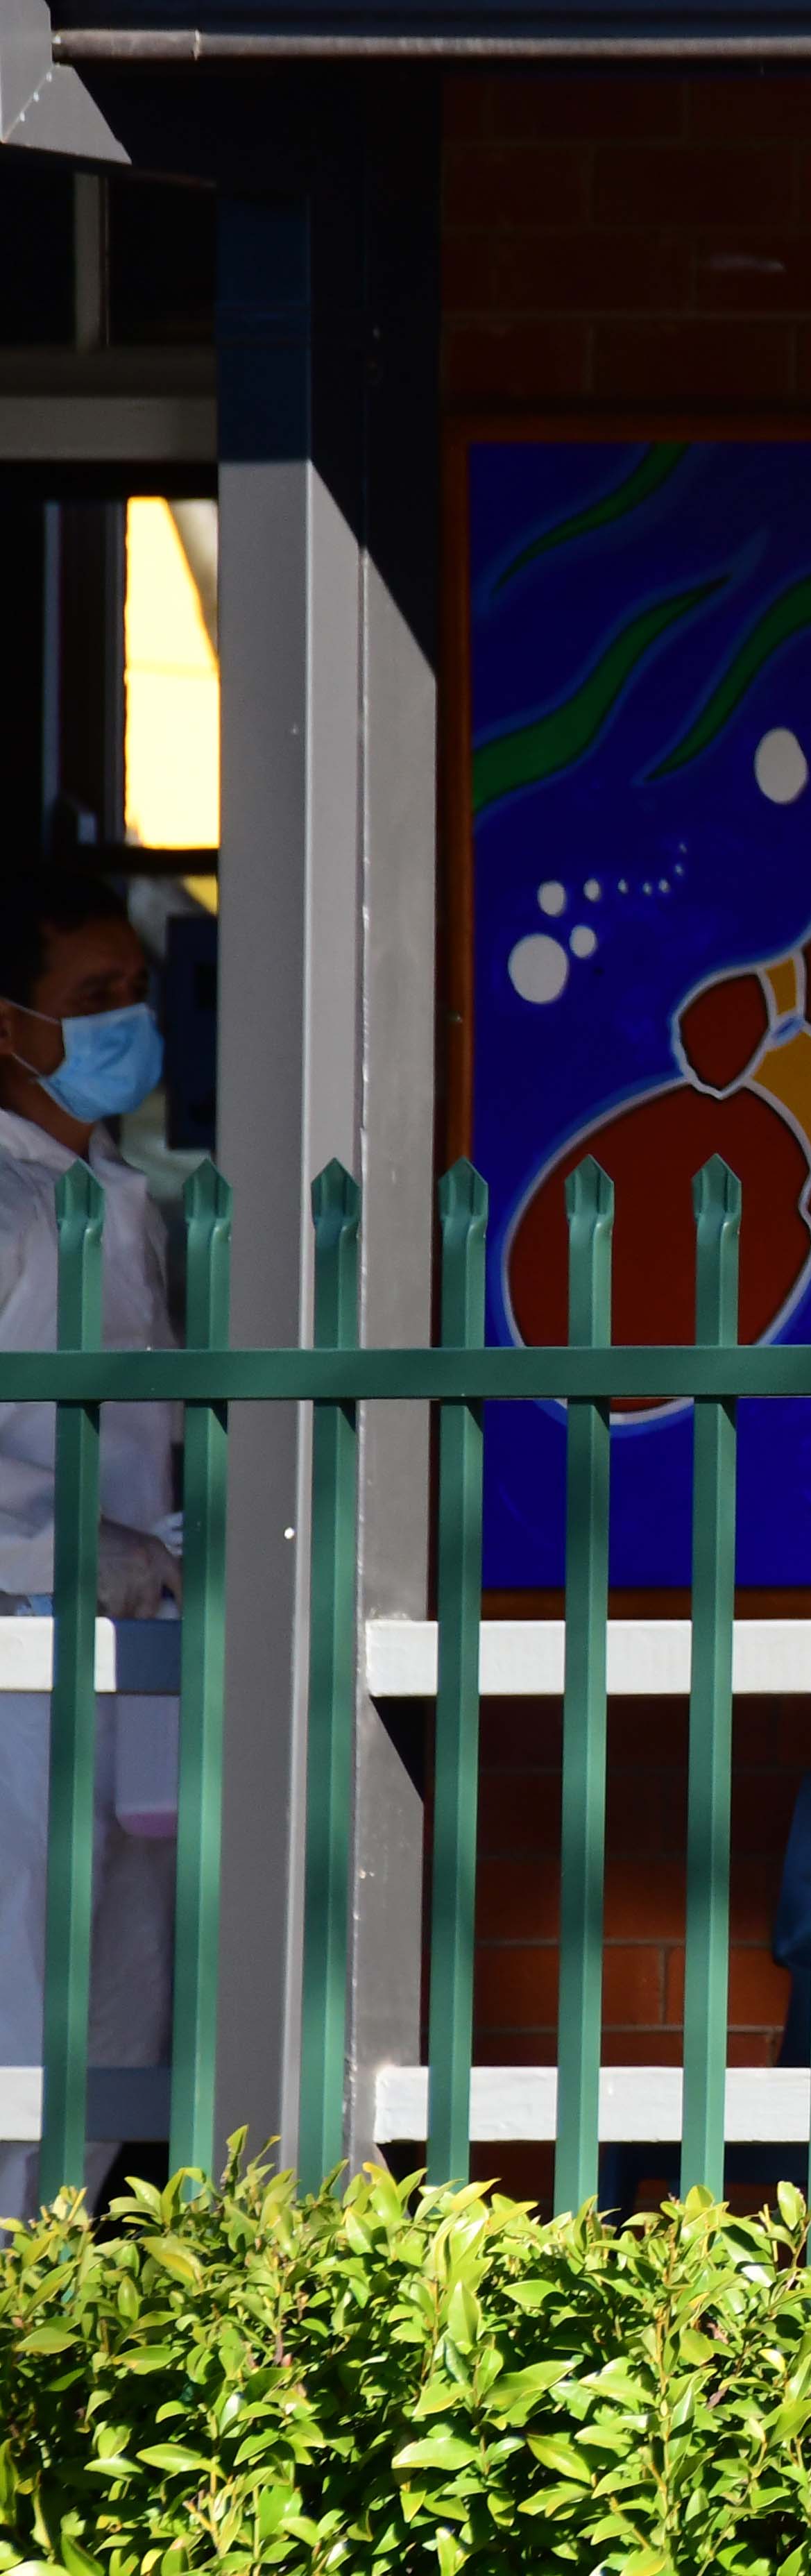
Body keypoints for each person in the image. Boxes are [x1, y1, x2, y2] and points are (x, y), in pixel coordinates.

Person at [0, 870, 179, 2219]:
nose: (127, 1020)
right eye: (92, 998)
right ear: (13, 1023)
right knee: (21, 1994)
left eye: (137, 991)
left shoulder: (128, 1196)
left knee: (125, 2005)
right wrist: (80, 1539)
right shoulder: (9, 1200)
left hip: (145, 1650)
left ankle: (56, 2300)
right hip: (20, 1652)